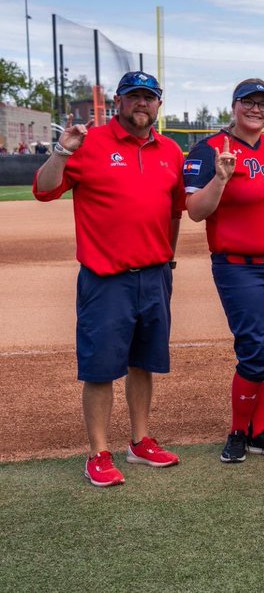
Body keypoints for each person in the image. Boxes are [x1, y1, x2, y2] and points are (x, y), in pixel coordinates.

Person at [33, 71, 183, 487]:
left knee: (143, 363)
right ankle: (98, 452)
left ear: (158, 104)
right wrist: (62, 152)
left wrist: (167, 260)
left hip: (154, 275)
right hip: (106, 279)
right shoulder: (90, 143)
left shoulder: (171, 150)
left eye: (149, 97)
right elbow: (43, 190)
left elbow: (174, 211)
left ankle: (139, 441)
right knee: (100, 369)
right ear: (118, 101)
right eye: (134, 96)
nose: (142, 103)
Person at [183, 79, 264, 463]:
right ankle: (238, 432)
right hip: (239, 268)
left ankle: (259, 430)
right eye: (248, 102)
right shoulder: (210, 149)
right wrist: (220, 178)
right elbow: (196, 211)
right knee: (254, 352)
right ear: (234, 106)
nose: (256, 110)